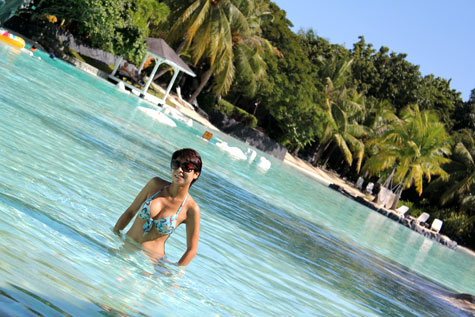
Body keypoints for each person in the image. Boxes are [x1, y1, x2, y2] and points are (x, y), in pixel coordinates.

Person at [113, 148, 202, 266]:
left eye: (187, 167)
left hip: (149, 261)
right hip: (127, 245)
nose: (179, 170)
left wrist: (176, 269)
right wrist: (114, 235)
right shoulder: (155, 185)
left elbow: (192, 249)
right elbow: (130, 211)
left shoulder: (191, 209)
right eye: (176, 164)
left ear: (196, 174)